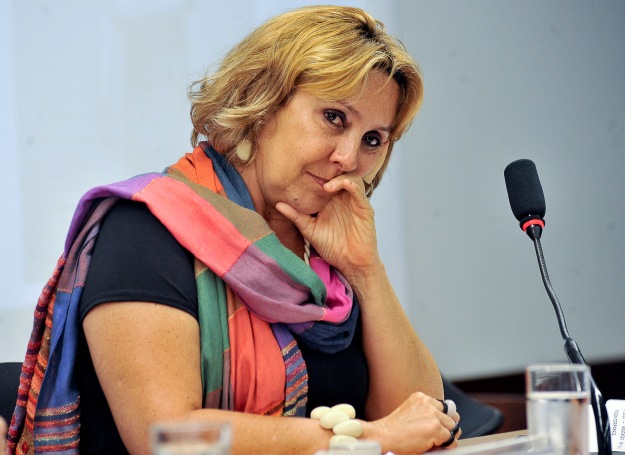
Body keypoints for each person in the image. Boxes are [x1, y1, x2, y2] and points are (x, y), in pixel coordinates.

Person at [8, 5, 461, 455]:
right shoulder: (144, 231)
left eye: (373, 140)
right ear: (263, 102)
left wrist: (366, 269)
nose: (348, 158)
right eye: (334, 117)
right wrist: (359, 439)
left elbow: (422, 417)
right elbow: (166, 438)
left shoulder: (327, 259)